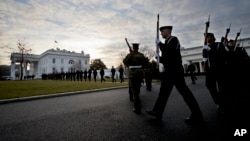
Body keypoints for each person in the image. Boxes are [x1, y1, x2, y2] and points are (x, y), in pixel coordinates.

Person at [146, 26, 203, 124]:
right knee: (163, 92)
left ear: (168, 31)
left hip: (175, 72)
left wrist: (160, 44)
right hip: (169, 71)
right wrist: (159, 58)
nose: (161, 34)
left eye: (162, 31)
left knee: (185, 93)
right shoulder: (167, 43)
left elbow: (170, 52)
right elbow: (168, 58)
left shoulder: (174, 40)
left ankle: (197, 115)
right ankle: (157, 111)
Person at [202, 33, 227, 113]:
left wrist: (209, 49)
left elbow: (222, 56)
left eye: (208, 37)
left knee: (222, 87)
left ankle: (224, 103)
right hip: (210, 70)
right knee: (209, 85)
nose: (206, 39)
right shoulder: (206, 47)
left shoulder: (219, 45)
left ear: (212, 37)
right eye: (205, 37)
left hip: (219, 69)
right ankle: (218, 101)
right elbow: (205, 58)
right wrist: (204, 54)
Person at [123, 43, 147, 114]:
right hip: (140, 74)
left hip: (133, 74)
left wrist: (130, 62)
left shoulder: (130, 55)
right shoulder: (141, 55)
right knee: (138, 89)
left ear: (133, 48)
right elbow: (145, 64)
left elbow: (125, 62)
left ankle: (137, 107)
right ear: (138, 48)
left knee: (134, 91)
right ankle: (137, 102)